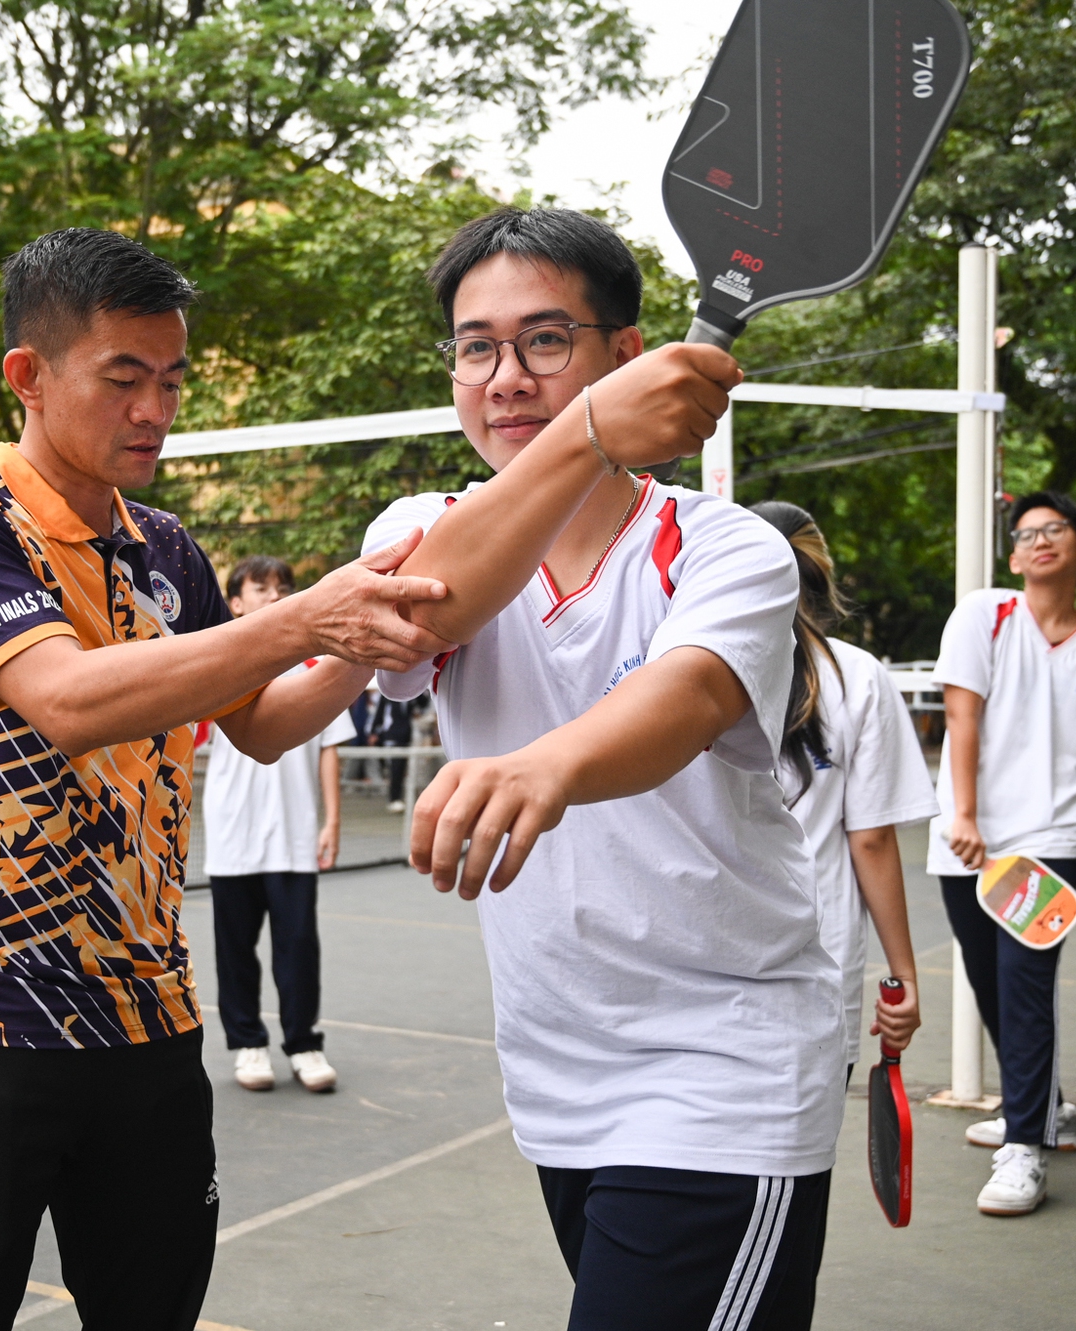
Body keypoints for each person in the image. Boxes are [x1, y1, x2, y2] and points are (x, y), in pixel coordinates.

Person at [0, 227, 458, 1331]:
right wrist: (299, 615)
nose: (155, 407)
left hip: (146, 1015)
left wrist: (384, 636)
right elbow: (68, 699)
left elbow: (266, 724)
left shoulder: (168, 551)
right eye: (124, 377)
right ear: (28, 377)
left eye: (172, 378)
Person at [362, 207, 839, 1328]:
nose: (505, 378)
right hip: (554, 1074)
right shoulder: (425, 529)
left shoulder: (725, 545)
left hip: (723, 1069)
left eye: (543, 340)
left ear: (622, 359)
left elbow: (684, 699)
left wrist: (543, 765)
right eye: (474, 347)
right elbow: (292, 699)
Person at [928, 490, 1076, 1217]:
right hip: (969, 839)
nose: (1039, 542)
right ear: (1015, 555)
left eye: (1055, 530)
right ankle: (1047, 1104)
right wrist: (962, 812)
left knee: (1025, 984)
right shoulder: (984, 616)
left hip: (1052, 840)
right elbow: (961, 715)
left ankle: (1025, 1145)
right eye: (1026, 534)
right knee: (990, 981)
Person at [750, 501, 935, 1079]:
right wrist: (902, 974)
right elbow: (872, 840)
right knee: (802, 1153)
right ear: (821, 572)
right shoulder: (856, 675)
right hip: (818, 948)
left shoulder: (684, 664)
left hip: (707, 942)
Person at [201, 554, 355, 1094]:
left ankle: (304, 1045)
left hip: (293, 835)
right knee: (235, 949)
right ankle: (247, 1045)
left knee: (297, 947)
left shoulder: (319, 665)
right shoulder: (216, 665)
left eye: (282, 587)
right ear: (236, 603)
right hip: (231, 836)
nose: (273, 595)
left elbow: (330, 750)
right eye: (260, 588)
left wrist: (331, 822)